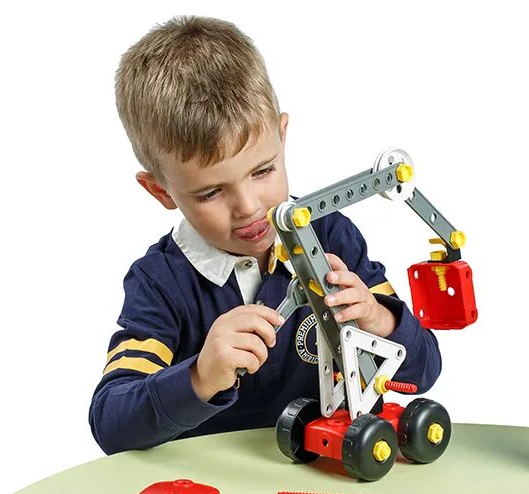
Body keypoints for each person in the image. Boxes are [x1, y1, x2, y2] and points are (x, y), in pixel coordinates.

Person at [89, 16, 441, 454]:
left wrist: (377, 320)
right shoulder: (160, 281)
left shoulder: (330, 235)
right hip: (214, 486)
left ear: (282, 135)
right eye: (211, 192)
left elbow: (424, 369)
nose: (248, 206)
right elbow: (111, 423)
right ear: (161, 191)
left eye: (263, 171)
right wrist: (200, 376)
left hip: (336, 471)